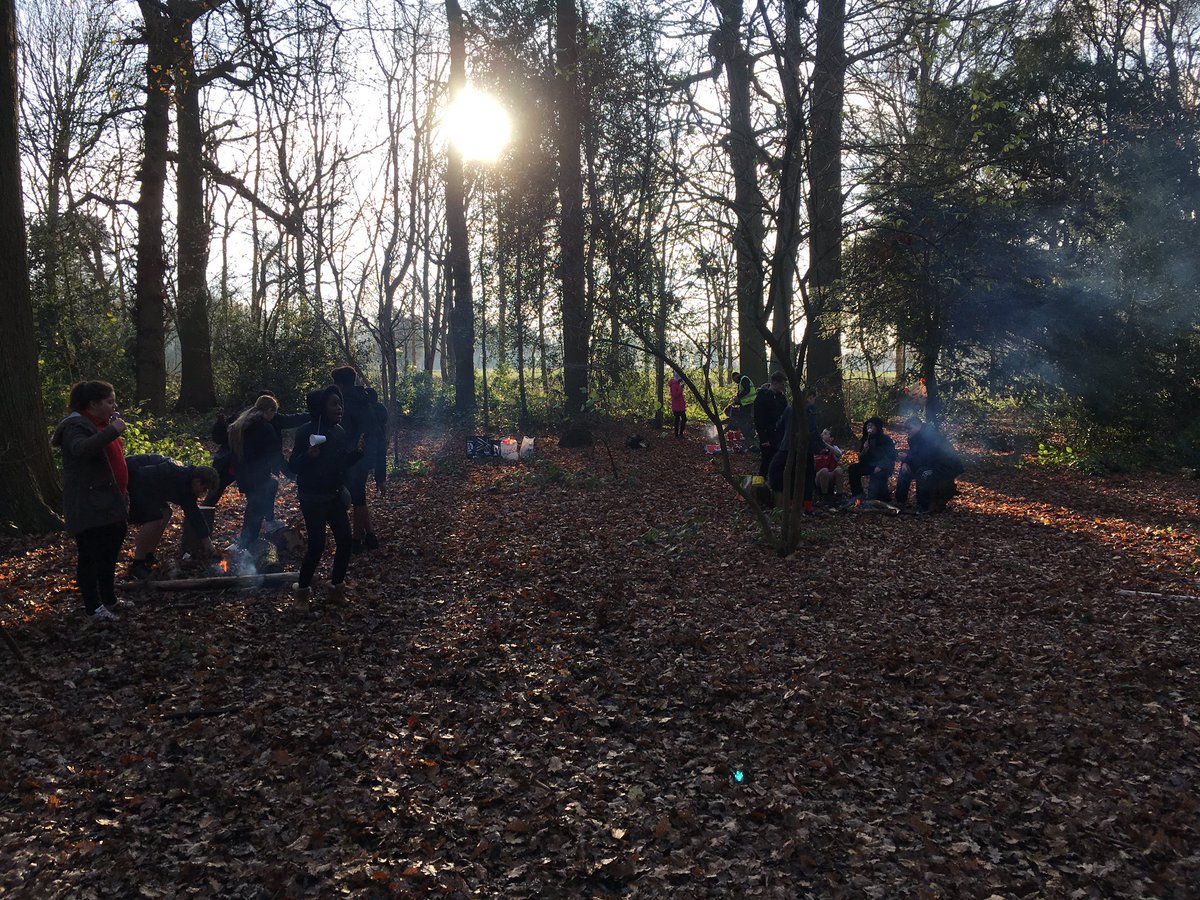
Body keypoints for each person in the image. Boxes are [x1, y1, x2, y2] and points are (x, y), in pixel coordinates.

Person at [51, 381, 130, 622]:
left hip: (111, 502)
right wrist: (113, 430)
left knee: (109, 554)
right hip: (90, 505)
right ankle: (93, 607)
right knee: (92, 556)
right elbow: (80, 449)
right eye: (109, 402)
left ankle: (109, 598)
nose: (113, 406)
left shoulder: (100, 423)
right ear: (93, 404)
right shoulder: (76, 425)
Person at [288, 385, 365, 604]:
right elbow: (293, 466)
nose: (339, 408)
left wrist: (357, 454)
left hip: (334, 496)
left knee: (345, 541)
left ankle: (336, 588)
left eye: (340, 403)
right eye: (334, 404)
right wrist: (308, 456)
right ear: (322, 407)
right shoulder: (305, 432)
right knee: (317, 545)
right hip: (312, 499)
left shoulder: (338, 431)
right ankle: (301, 594)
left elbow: (340, 464)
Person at [125, 455, 219, 579]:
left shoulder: (188, 489)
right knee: (155, 518)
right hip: (131, 482)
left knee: (166, 513)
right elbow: (142, 478)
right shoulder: (173, 473)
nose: (204, 493)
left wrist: (209, 545)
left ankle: (149, 556)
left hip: (147, 489)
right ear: (197, 481)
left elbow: (194, 515)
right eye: (204, 488)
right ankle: (137, 564)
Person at [331, 366, 379, 553]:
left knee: (357, 499)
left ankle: (356, 540)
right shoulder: (363, 398)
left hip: (354, 457)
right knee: (360, 497)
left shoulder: (347, 402)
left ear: (340, 384)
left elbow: (345, 432)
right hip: (363, 456)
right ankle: (371, 536)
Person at [227, 395, 282, 549]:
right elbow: (273, 453)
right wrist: (289, 471)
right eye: (274, 412)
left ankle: (251, 537)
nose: (274, 416)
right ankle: (246, 544)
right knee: (255, 509)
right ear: (269, 410)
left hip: (244, 474)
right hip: (257, 475)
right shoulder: (263, 427)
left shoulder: (242, 424)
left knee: (258, 501)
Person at [896, 416, 964, 512]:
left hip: (945, 466)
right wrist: (905, 462)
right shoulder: (913, 437)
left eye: (909, 428)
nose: (907, 431)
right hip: (930, 463)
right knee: (904, 470)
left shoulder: (930, 436)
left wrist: (907, 458)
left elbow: (926, 458)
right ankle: (900, 501)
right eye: (905, 428)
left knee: (923, 473)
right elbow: (914, 453)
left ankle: (924, 505)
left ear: (917, 426)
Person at [846, 416, 897, 502]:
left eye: (871, 425)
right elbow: (861, 458)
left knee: (877, 481)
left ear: (877, 427)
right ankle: (858, 495)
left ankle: (880, 497)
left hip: (883, 466)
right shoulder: (866, 439)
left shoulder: (885, 439)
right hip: (870, 464)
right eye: (868, 425)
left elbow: (891, 456)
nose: (869, 427)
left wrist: (880, 466)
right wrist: (865, 450)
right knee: (853, 469)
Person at [753, 372, 788, 478]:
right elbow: (759, 419)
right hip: (768, 435)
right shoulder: (762, 397)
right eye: (782, 384)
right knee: (766, 462)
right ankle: (760, 486)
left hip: (780, 436)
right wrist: (763, 439)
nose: (783, 387)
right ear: (775, 382)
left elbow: (785, 415)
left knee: (779, 463)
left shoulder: (782, 398)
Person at [364, 387, 389, 492]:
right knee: (380, 461)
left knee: (369, 464)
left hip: (372, 440)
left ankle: (379, 484)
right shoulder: (381, 407)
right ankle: (380, 484)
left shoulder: (367, 410)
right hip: (380, 438)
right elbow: (385, 421)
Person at [814, 427, 849, 499]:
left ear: (831, 439)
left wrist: (826, 445)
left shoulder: (834, 448)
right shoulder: (816, 447)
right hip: (818, 477)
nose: (822, 435)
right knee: (824, 471)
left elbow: (839, 454)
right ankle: (825, 496)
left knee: (839, 470)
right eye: (822, 433)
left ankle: (839, 496)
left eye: (825, 433)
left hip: (831, 476)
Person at [668, 371, 687, 438]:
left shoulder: (678, 384)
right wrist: (681, 389)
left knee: (683, 419)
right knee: (678, 420)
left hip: (680, 406)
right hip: (676, 406)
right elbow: (675, 395)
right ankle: (677, 435)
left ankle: (680, 434)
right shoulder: (673, 384)